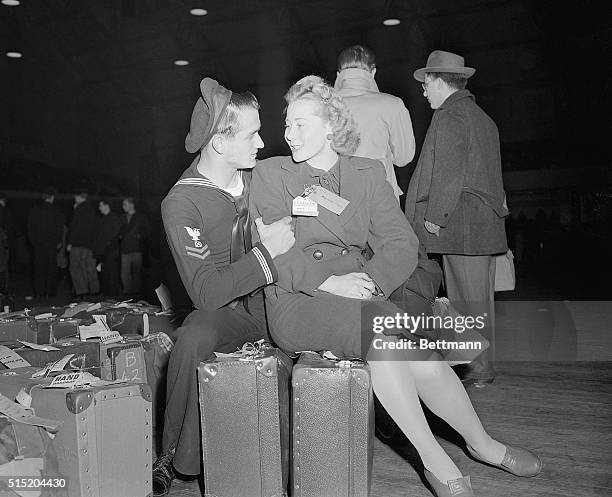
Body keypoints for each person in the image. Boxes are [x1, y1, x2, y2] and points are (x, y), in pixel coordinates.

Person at [250, 75, 540, 497]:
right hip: (299, 299)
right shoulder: (271, 174)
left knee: (395, 345)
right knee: (394, 335)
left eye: (300, 124)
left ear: (331, 126)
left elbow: (401, 241)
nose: (287, 134)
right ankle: (445, 455)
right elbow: (275, 252)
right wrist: (332, 282)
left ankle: (478, 444)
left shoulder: (366, 174)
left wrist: (367, 281)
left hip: (363, 293)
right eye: (287, 123)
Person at [153, 77, 295, 497]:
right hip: (231, 312)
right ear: (219, 143)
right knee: (195, 332)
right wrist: (267, 254)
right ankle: (173, 453)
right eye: (252, 133)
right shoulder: (182, 202)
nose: (262, 141)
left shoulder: (259, 179)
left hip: (277, 301)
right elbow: (208, 294)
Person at [405, 50, 509, 385]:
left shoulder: (451, 115)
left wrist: (436, 215)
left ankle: (477, 369)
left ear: (439, 81)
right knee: (478, 300)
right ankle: (480, 366)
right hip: (481, 226)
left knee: (465, 302)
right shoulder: (482, 117)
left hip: (461, 226)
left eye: (427, 83)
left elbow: (449, 172)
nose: (424, 91)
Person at [334, 45, 415, 201]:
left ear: (338, 74)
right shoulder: (392, 104)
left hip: (335, 196)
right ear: (373, 72)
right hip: (379, 196)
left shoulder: (321, 105)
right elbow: (403, 158)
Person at [26, 187, 65, 297]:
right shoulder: (56, 210)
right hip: (52, 244)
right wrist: (59, 241)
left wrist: (33, 242)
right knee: (51, 268)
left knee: (39, 268)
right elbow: (59, 228)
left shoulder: (35, 209)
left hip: (38, 244)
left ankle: (39, 291)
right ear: (52, 197)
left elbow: (30, 227)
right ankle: (50, 291)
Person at [67, 189, 99, 299]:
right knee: (86, 267)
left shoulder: (78, 209)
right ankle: (93, 290)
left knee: (75, 267)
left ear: (79, 197)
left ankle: (81, 291)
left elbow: (75, 227)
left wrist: (70, 242)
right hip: (89, 244)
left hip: (77, 243)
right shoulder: (92, 209)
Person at [119, 196, 151, 297]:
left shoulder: (141, 217)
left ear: (131, 205)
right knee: (125, 273)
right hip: (125, 249)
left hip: (137, 249)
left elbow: (148, 230)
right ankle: (127, 292)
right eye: (123, 205)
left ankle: (136, 293)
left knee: (137, 272)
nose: (123, 207)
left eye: (125, 204)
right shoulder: (122, 217)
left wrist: (139, 235)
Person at [93, 199, 122, 297]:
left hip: (111, 251)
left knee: (111, 274)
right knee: (105, 273)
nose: (99, 208)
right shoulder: (103, 219)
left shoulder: (113, 218)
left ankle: (113, 295)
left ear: (107, 206)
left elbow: (115, 234)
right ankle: (106, 294)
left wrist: (108, 246)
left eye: (101, 205)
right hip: (104, 252)